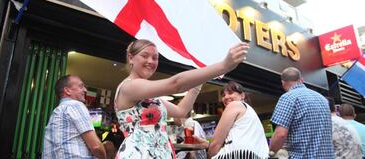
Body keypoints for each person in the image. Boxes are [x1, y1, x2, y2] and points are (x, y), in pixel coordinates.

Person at [114, 39, 249, 158]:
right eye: (145, 56)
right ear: (131, 58)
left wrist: (199, 82)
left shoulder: (148, 97)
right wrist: (223, 66)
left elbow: (181, 111)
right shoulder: (129, 87)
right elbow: (176, 84)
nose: (150, 61)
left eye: (155, 58)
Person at [269, 67, 333, 159]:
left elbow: (280, 134)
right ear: (302, 80)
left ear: (283, 83)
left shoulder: (288, 98)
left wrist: (271, 152)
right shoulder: (322, 99)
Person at [193, 81, 269, 159]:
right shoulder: (250, 113)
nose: (226, 97)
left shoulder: (234, 104)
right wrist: (208, 145)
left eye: (230, 93)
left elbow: (216, 143)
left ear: (242, 95)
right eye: (223, 95)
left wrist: (209, 154)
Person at [42, 75, 106, 159]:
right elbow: (96, 146)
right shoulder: (75, 105)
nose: (85, 90)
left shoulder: (57, 112)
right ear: (67, 90)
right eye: (81, 86)